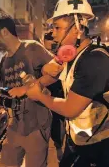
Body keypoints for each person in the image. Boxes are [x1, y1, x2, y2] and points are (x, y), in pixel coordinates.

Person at [26, 0, 109, 167]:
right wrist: (43, 73)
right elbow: (53, 76)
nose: (53, 34)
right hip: (81, 141)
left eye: (57, 28)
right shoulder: (74, 57)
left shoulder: (94, 61)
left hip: (103, 146)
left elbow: (69, 108)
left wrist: (40, 95)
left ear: (77, 29)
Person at [0, 15, 56, 167]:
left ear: (4, 32)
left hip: (36, 125)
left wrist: (26, 88)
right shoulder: (2, 61)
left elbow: (56, 73)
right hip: (14, 125)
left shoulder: (32, 48)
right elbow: (2, 89)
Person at [43, 31, 66, 161]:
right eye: (49, 40)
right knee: (55, 126)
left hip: (64, 95)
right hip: (48, 97)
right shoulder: (41, 56)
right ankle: (58, 148)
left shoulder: (63, 55)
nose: (52, 43)